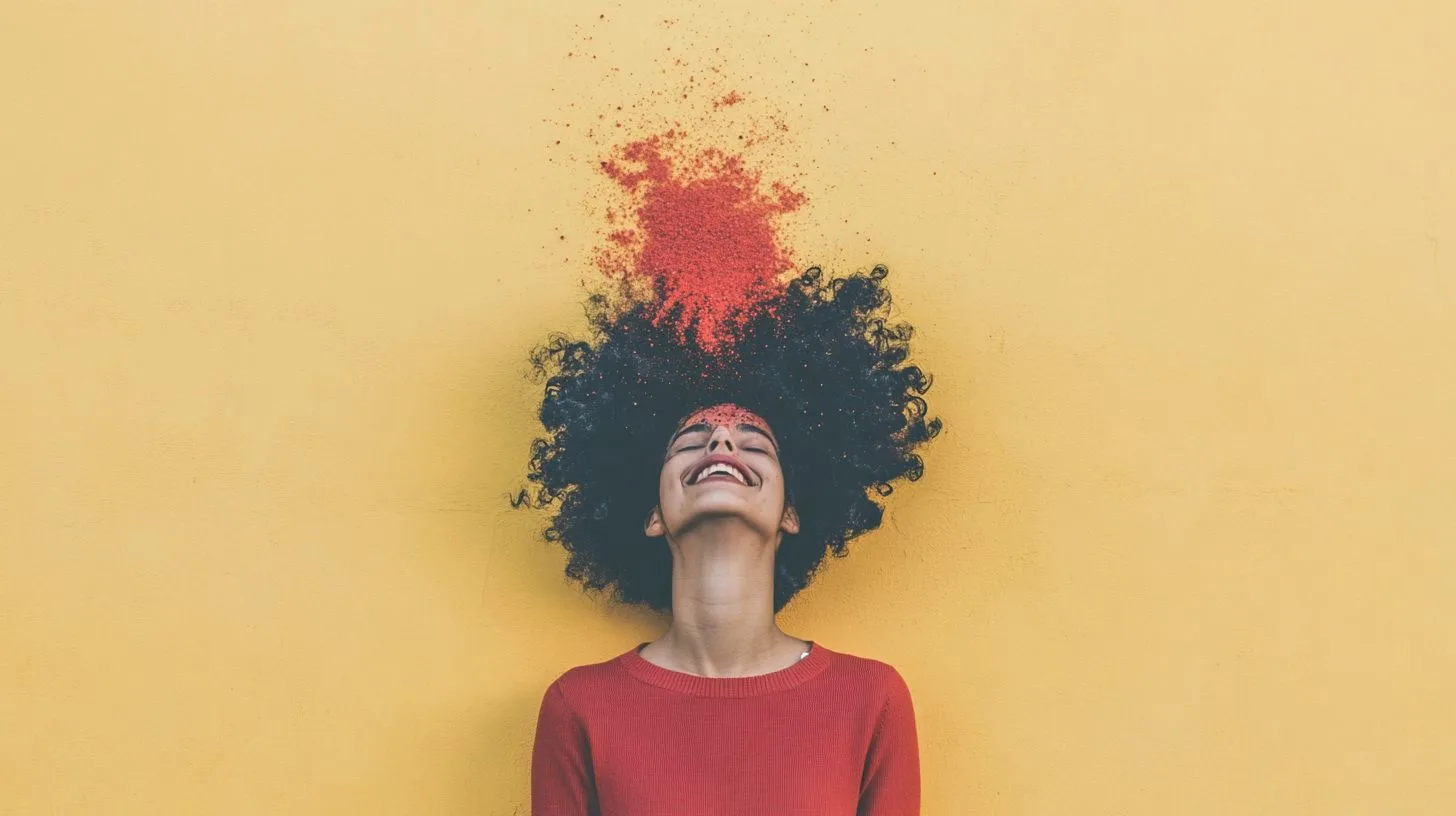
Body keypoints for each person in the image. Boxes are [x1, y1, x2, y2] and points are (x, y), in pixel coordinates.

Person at [515, 266, 942, 814]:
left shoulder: (871, 698)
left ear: (790, 512)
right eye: (691, 441)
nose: (720, 438)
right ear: (652, 514)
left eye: (755, 443)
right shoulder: (579, 705)